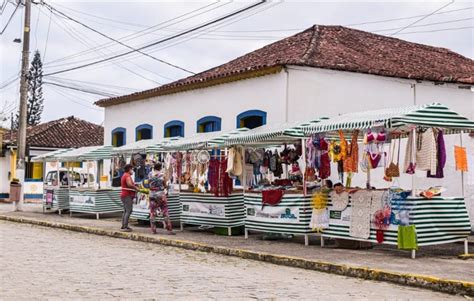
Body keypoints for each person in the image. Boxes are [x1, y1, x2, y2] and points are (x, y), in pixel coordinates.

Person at [148, 162, 174, 235]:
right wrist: (166, 187)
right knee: (165, 211)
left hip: (152, 195)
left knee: (152, 212)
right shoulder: (162, 175)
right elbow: (165, 185)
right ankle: (169, 229)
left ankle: (153, 230)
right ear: (160, 168)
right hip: (160, 195)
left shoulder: (150, 174)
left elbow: (148, 184)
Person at [121, 164, 138, 231]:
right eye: (132, 169)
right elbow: (129, 184)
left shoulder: (124, 175)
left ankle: (123, 225)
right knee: (128, 211)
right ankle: (125, 226)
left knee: (125, 211)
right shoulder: (127, 175)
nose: (132, 171)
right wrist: (135, 187)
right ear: (129, 169)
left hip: (124, 195)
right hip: (127, 195)